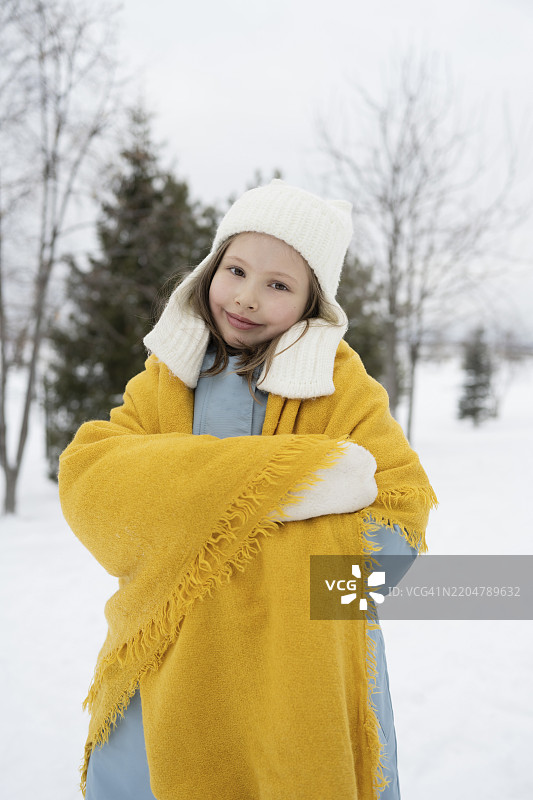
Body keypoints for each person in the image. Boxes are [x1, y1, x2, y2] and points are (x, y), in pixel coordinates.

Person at [59, 179, 437, 800]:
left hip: (298, 681)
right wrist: (293, 483)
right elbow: (92, 487)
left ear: (313, 302)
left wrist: (213, 539)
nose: (247, 297)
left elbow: (399, 538)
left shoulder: (343, 390)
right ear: (213, 265)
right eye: (235, 269)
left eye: (279, 285)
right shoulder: (167, 376)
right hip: (166, 667)